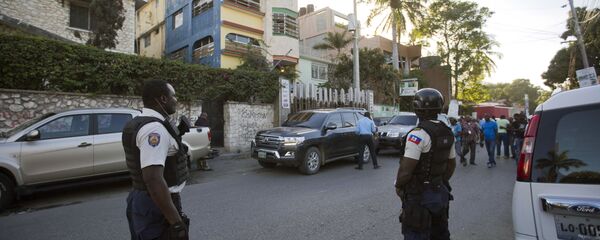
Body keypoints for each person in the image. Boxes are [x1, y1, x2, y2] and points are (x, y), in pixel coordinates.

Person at [123, 80, 190, 240]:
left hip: (146, 199)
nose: (176, 99)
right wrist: (176, 223)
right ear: (163, 99)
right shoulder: (154, 129)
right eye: (173, 96)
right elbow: (153, 179)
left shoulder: (142, 122)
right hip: (156, 204)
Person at [394, 88, 456, 240]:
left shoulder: (417, 134)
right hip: (440, 193)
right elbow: (451, 165)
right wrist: (439, 181)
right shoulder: (447, 132)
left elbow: (405, 172)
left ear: (416, 108)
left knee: (415, 235)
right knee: (440, 234)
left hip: (419, 197)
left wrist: (399, 186)